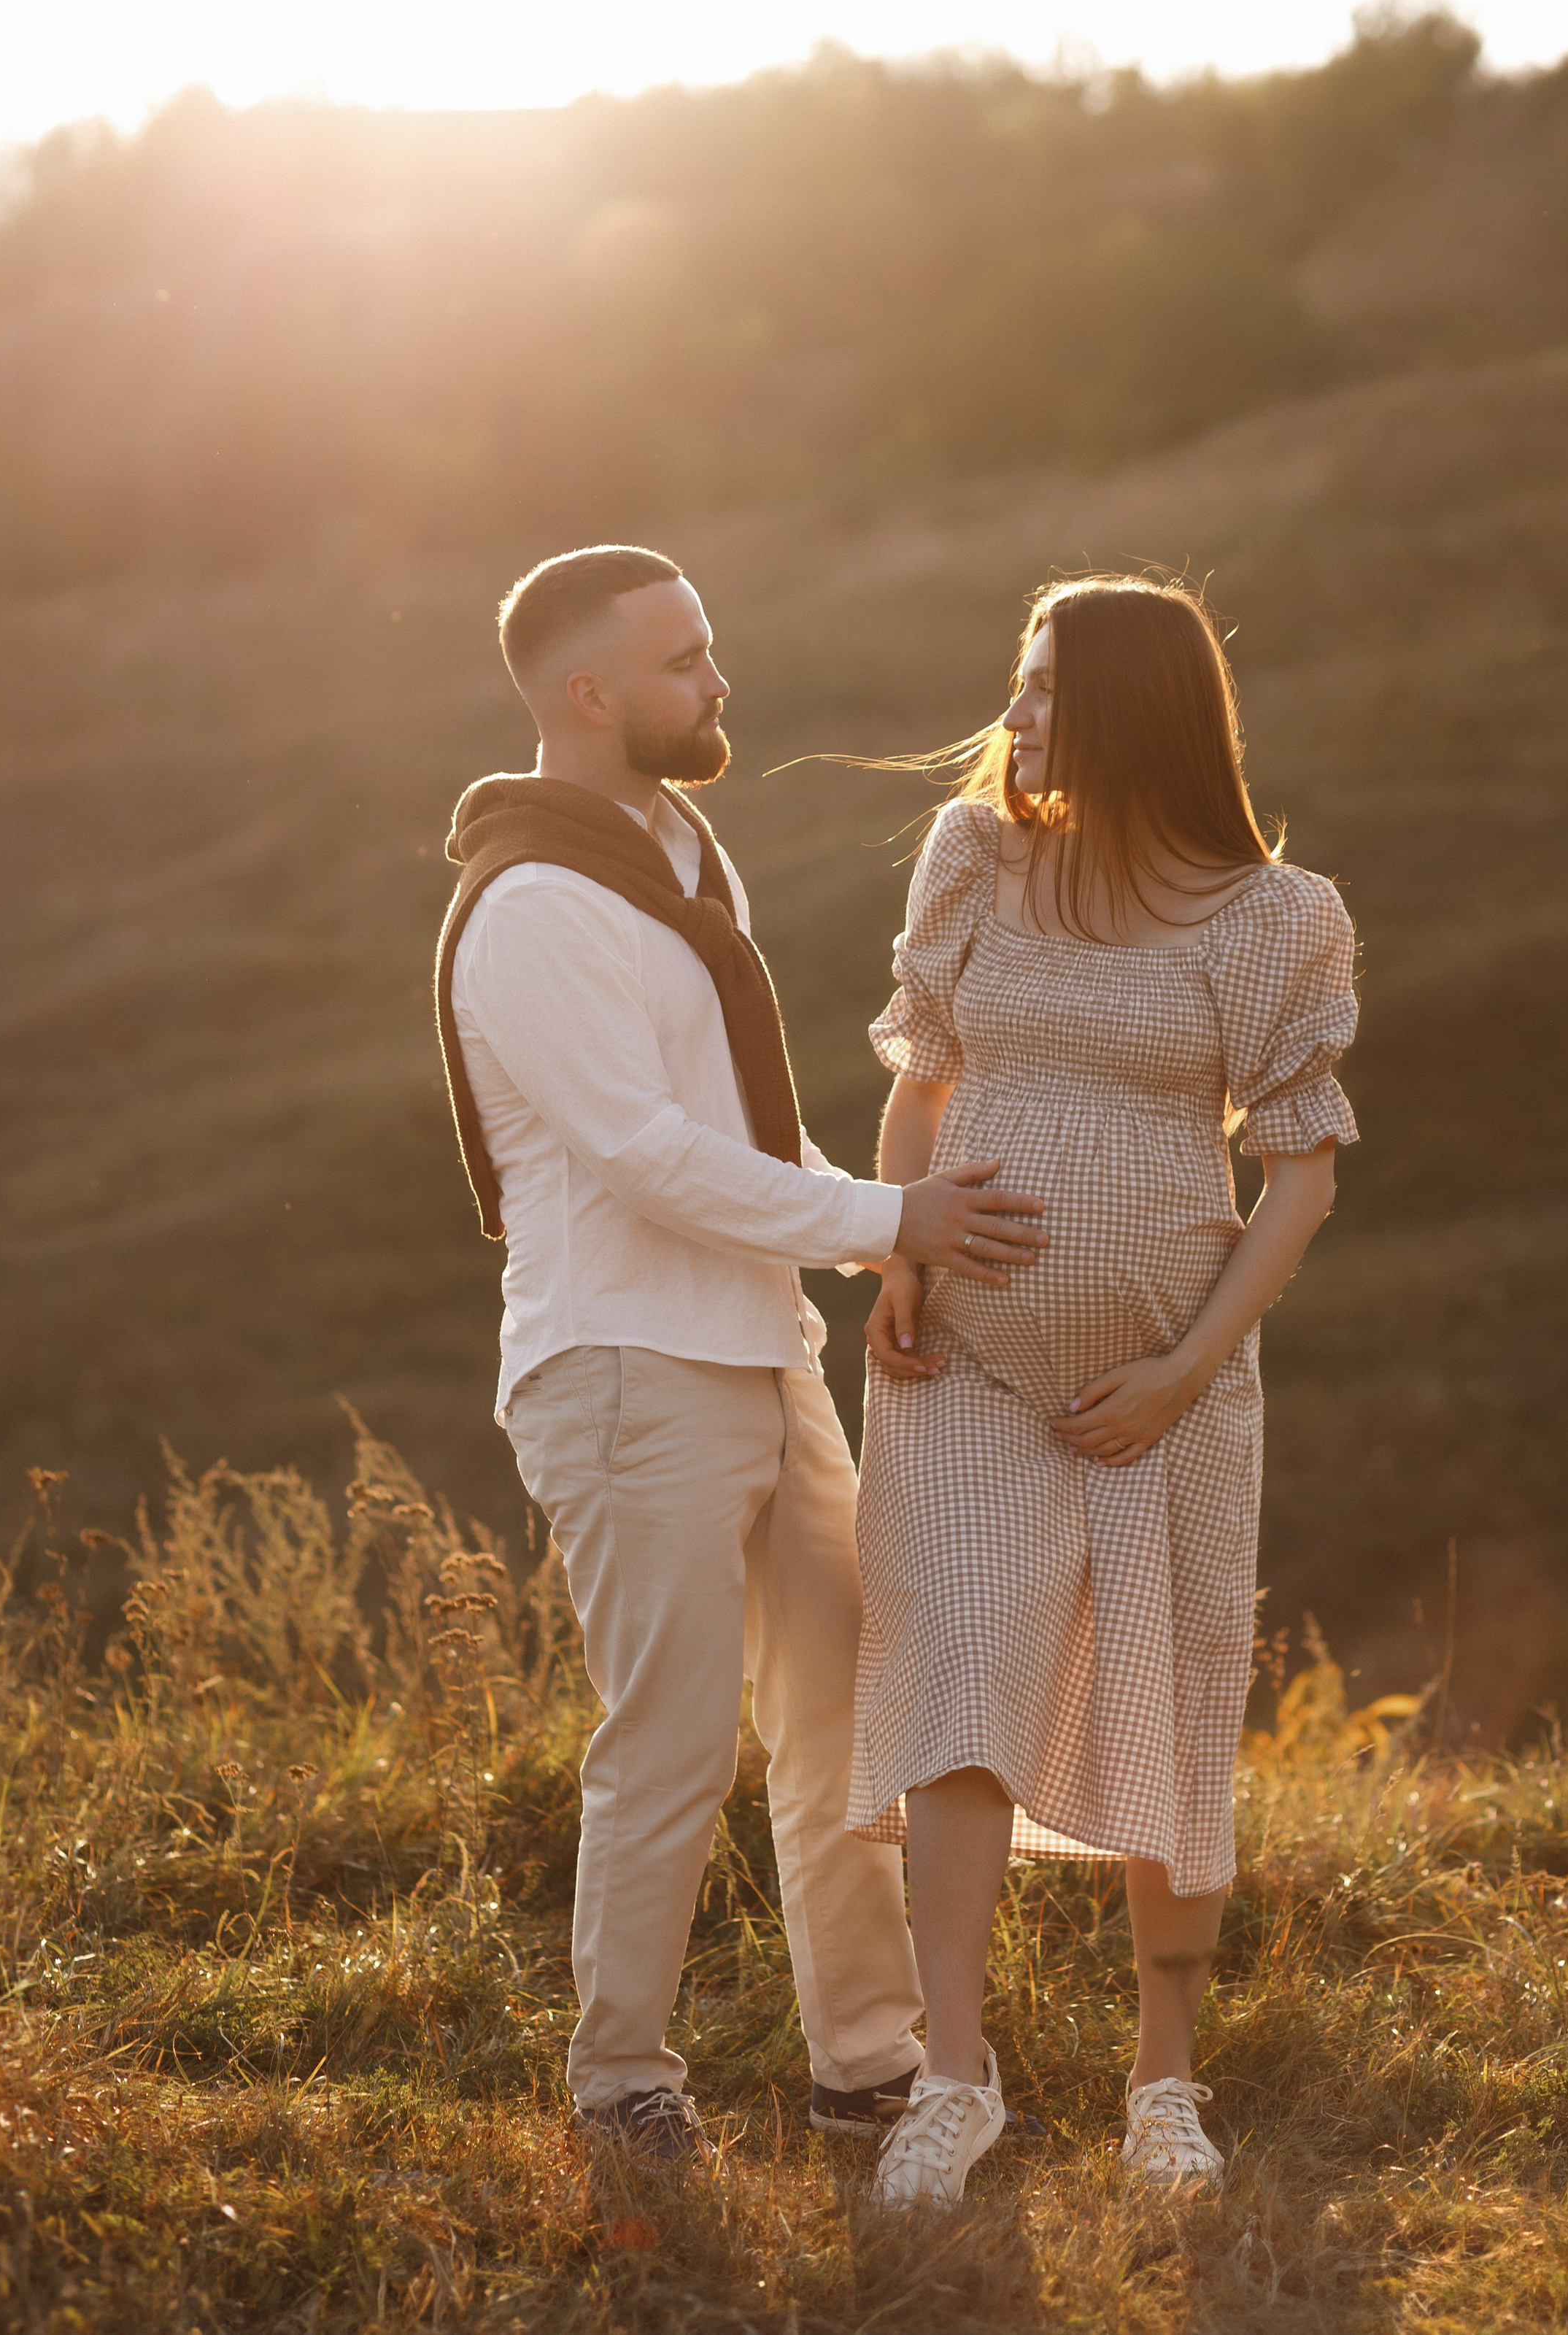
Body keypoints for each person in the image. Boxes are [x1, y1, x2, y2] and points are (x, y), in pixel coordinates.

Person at [433, 544, 1049, 2161]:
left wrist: (857, 1248)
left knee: (845, 1715)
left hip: (757, 1347)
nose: (718, 683)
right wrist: (885, 1218)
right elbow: (641, 1155)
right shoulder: (534, 906)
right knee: (674, 1737)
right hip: (626, 1361)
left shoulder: (684, 861)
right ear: (590, 694)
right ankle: (621, 2083)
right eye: (683, 661)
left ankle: (866, 2065)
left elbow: (723, 1131)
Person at [848, 572, 1359, 2208]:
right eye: (1020, 677)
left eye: (1052, 685)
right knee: (959, 1681)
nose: (1017, 714)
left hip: (1168, 1390)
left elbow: (1297, 1178)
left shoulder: (1275, 916)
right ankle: (950, 2079)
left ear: (1142, 704)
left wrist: (1178, 1371)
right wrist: (901, 1258)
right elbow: (921, 1086)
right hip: (970, 1370)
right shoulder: (977, 857)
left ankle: (1163, 2089)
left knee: (1172, 1695)